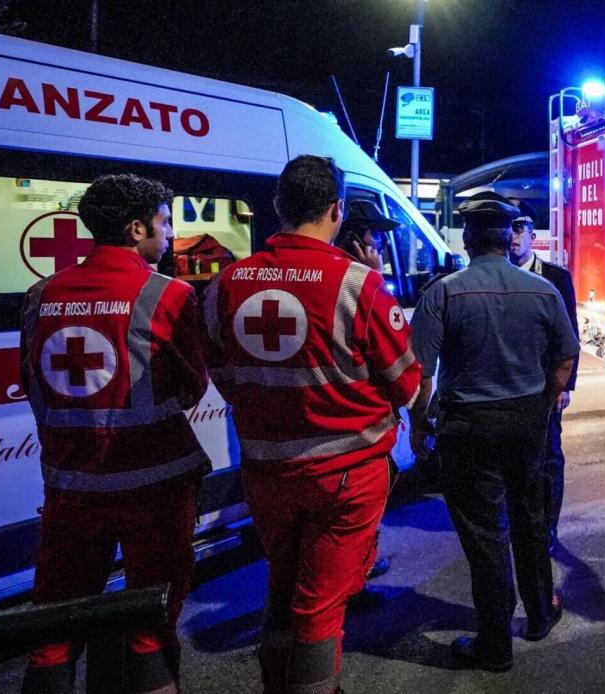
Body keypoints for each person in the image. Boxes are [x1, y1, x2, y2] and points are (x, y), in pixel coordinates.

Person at [201, 156, 421, 694]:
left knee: (283, 580)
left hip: (266, 471)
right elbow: (407, 386)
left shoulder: (226, 283)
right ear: (336, 210)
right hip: (344, 476)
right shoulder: (358, 285)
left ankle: (277, 679)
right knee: (320, 605)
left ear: (277, 207)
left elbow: (222, 373)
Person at [19, 174, 208, 694]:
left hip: (70, 489)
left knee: (54, 629)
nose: (169, 235)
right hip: (155, 489)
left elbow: (30, 382)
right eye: (165, 222)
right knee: (149, 629)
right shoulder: (168, 294)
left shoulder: (40, 294)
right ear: (135, 228)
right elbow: (192, 386)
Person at [410, 193, 579, 673]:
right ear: (509, 238)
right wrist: (545, 403)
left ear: (467, 238)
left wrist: (420, 422)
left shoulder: (444, 292)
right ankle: (541, 614)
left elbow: (421, 370)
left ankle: (494, 643)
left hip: (468, 428)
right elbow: (565, 356)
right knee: (530, 519)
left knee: (486, 535)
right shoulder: (542, 291)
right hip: (526, 422)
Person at [504, 195, 580, 555]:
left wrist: (566, 385)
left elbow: (570, 335)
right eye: (509, 228)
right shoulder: (496, 275)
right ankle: (519, 522)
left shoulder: (555, 277)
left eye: (520, 228)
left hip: (546, 386)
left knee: (549, 457)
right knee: (515, 459)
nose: (513, 236)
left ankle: (547, 527)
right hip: (507, 385)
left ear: (533, 234)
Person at [335, 198, 402, 583]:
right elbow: (401, 369)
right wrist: (373, 278)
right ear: (354, 241)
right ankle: (355, 578)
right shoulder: (361, 286)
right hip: (355, 437)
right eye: (373, 235)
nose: (378, 243)